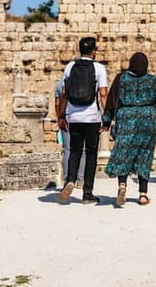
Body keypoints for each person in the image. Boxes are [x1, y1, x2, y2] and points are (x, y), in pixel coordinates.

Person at [103, 53, 156, 207]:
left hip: (126, 118)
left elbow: (112, 100)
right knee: (144, 156)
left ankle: (122, 185)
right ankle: (143, 194)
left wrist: (106, 121)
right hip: (147, 119)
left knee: (123, 152)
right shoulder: (152, 81)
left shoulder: (122, 78)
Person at [57, 37, 109, 204]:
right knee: (91, 154)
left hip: (73, 116)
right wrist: (106, 116)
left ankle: (70, 180)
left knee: (74, 150)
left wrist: (61, 116)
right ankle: (87, 193)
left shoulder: (70, 67)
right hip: (92, 117)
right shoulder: (99, 68)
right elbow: (102, 94)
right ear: (94, 51)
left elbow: (64, 93)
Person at [54, 78, 84, 183]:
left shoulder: (59, 84)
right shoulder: (83, 81)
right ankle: (81, 179)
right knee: (82, 149)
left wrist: (59, 118)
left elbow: (57, 103)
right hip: (80, 117)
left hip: (66, 117)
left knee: (67, 149)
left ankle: (68, 178)